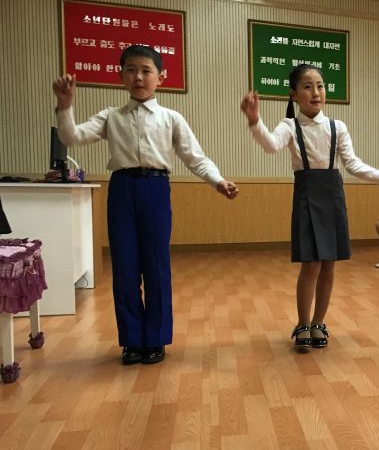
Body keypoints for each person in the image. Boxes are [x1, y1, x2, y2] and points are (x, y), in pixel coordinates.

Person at [53, 45, 239, 366]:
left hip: (155, 188)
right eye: (131, 70)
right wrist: (65, 106)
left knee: (155, 266)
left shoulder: (171, 118)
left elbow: (195, 157)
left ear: (161, 78)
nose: (138, 77)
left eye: (146, 71)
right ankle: (131, 340)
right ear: (120, 75)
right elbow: (72, 137)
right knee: (124, 268)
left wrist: (218, 180)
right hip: (122, 189)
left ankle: (155, 339)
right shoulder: (110, 116)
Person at [241, 64, 379, 352]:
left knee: (329, 264)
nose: (316, 92)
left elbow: (352, 163)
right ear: (293, 94)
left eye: (320, 86)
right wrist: (255, 121)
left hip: (333, 196)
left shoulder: (338, 127)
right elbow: (272, 145)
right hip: (307, 195)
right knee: (310, 263)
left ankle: (318, 322)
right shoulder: (289, 126)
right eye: (308, 86)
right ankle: (302, 323)